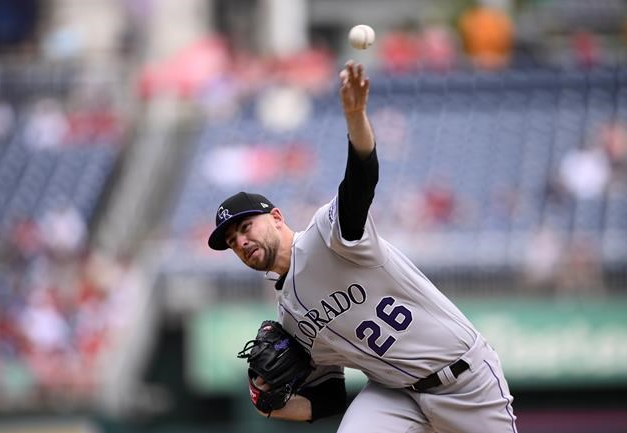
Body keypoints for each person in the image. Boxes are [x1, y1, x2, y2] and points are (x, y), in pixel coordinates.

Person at [207, 61, 518, 433]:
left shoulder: (326, 235)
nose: (240, 241)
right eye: (231, 241)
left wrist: (356, 118)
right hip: (394, 394)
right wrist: (268, 406)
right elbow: (329, 399)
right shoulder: (289, 317)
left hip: (465, 380)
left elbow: (361, 178)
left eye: (245, 226)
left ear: (276, 217)